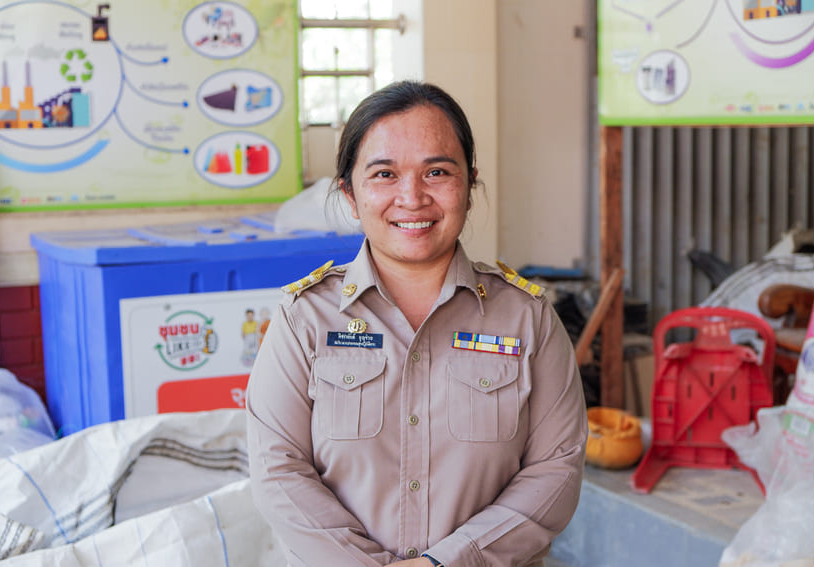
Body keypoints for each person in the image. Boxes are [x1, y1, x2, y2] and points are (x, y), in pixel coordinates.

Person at [246, 80, 587, 567]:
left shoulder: (527, 320)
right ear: (349, 192)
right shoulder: (304, 319)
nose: (412, 197)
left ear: (469, 184)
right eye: (384, 173)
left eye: (437, 172)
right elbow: (277, 471)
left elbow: (557, 471)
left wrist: (445, 563)